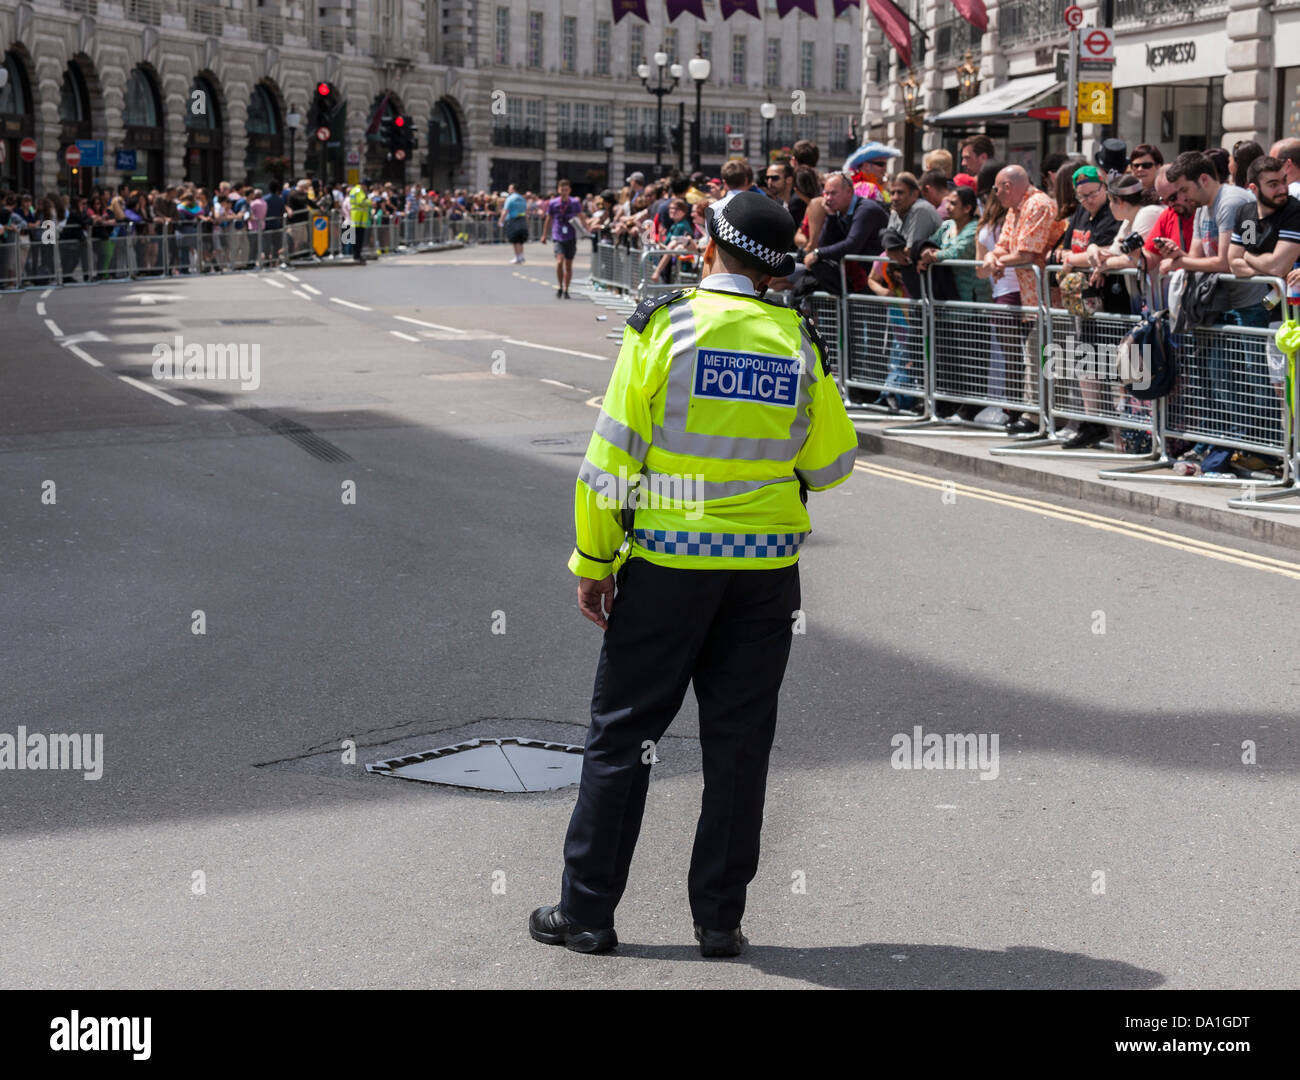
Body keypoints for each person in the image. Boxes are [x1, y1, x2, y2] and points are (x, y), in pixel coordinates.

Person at [532, 190, 857, 958]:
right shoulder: (797, 341)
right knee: (739, 745)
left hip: (669, 566)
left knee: (622, 738)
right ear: (776, 270)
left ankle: (587, 914)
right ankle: (719, 920)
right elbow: (834, 463)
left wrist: (594, 558)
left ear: (710, 244)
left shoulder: (666, 326)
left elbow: (610, 459)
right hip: (765, 573)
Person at [987, 165, 1057, 435]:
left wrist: (994, 261)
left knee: (1043, 359)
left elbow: (1026, 253)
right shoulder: (1014, 209)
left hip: (1049, 297)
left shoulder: (1037, 204)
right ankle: (1036, 415)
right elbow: (1003, 246)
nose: (995, 194)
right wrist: (994, 257)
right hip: (1032, 298)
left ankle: (1037, 416)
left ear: (1007, 186)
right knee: (1036, 357)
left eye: (996, 188)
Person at [803, 171, 887, 294]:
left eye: (833, 193)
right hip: (860, 278)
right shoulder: (838, 210)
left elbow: (852, 245)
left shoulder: (866, 209)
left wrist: (817, 253)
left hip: (878, 280)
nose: (828, 198)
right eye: (826, 193)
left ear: (849, 191)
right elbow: (825, 244)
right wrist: (831, 217)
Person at [541, 177, 587, 299]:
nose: (564, 192)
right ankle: (560, 286)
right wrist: (544, 234)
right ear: (558, 190)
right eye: (562, 189)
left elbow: (581, 216)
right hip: (558, 235)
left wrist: (587, 229)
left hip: (571, 235)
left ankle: (566, 289)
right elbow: (548, 219)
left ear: (569, 190)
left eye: (566, 190)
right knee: (559, 261)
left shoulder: (574, 203)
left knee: (568, 265)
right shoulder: (553, 203)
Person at [499, 182, 528, 263]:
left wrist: (501, 220)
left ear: (513, 189)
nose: (508, 190)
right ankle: (521, 256)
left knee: (515, 239)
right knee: (521, 240)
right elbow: (526, 211)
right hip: (522, 220)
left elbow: (505, 210)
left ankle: (517, 257)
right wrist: (526, 222)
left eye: (509, 188)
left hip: (513, 220)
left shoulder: (510, 198)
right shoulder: (522, 198)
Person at [347, 178, 371, 263]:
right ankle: (357, 255)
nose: (366, 188)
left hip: (357, 217)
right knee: (358, 238)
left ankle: (357, 255)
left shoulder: (355, 190)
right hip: (358, 217)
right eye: (366, 186)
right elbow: (362, 201)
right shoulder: (358, 191)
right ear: (363, 185)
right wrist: (370, 202)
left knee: (357, 238)